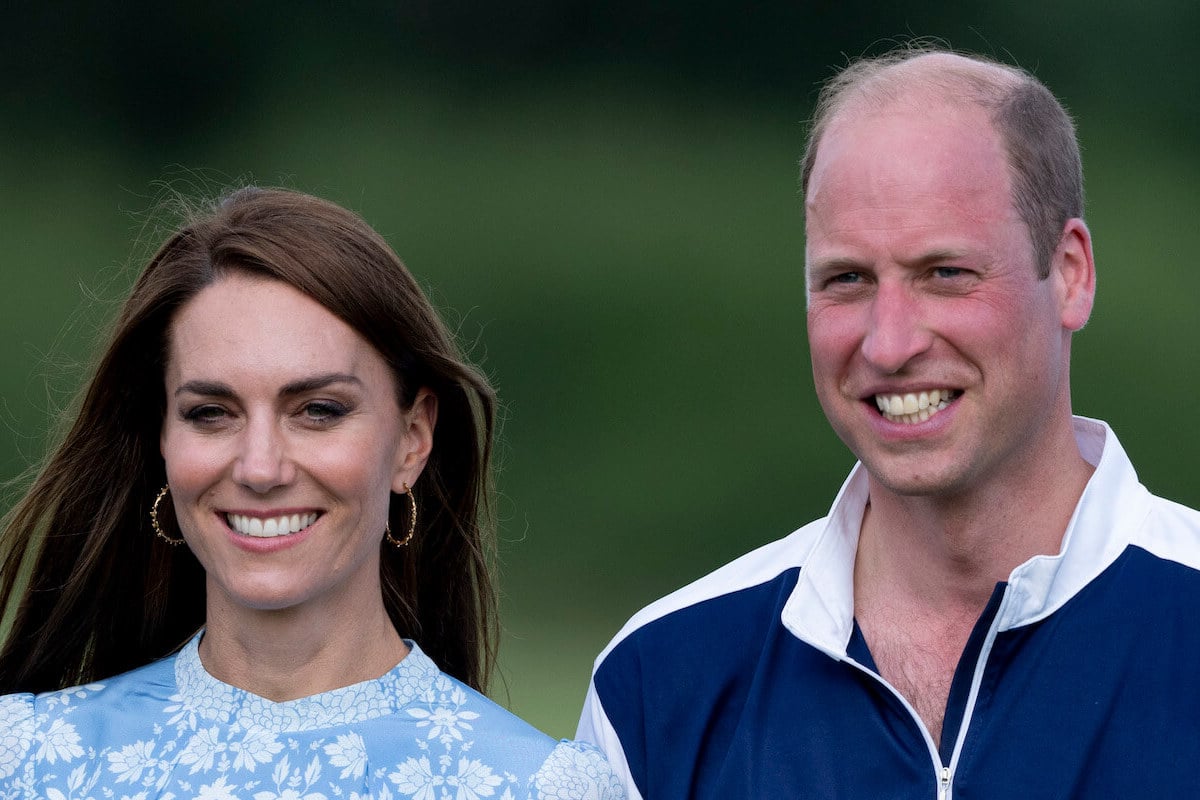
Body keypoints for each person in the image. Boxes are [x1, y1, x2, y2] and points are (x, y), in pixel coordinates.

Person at [577, 44, 1200, 798]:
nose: (890, 341)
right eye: (847, 280)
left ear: (1070, 272)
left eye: (946, 274)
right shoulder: (659, 683)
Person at [0, 187, 623, 799]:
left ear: (412, 440)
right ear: (161, 438)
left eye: (319, 410)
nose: (261, 467)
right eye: (211, 413)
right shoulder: (26, 762)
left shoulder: (541, 788)